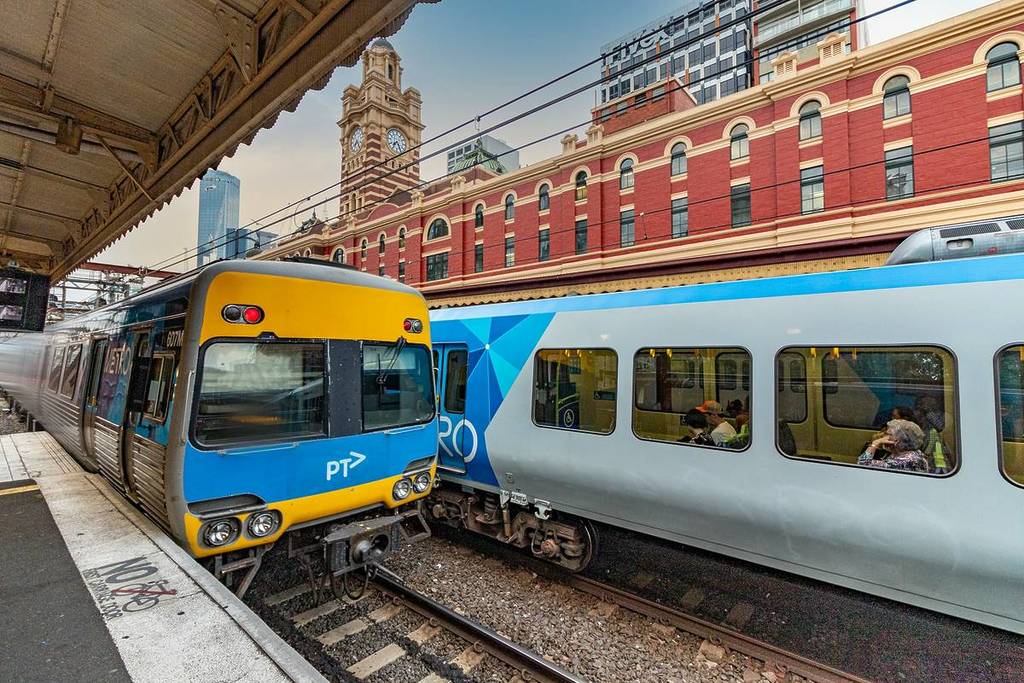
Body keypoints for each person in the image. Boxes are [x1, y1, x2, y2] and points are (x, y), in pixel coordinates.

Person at [857, 419, 930, 472]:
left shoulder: (906, 460)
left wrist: (875, 443)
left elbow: (862, 464)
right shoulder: (907, 453)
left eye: (888, 434)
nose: (883, 436)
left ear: (897, 440)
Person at [914, 396, 951, 473]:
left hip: (938, 452)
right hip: (924, 446)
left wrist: (928, 411)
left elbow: (940, 427)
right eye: (922, 403)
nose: (924, 405)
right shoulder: (921, 415)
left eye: (927, 402)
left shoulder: (944, 415)